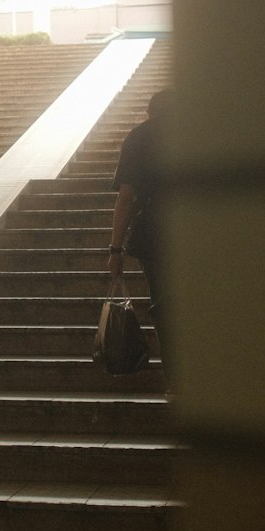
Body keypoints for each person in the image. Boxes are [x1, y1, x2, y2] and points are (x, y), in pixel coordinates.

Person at [108, 87, 172, 381]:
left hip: (155, 234)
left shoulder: (139, 137)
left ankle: (177, 378)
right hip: (202, 232)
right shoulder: (203, 132)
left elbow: (127, 197)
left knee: (165, 306)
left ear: (150, 111)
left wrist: (115, 249)